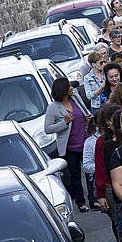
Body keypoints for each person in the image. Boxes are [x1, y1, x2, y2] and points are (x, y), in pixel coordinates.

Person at [44, 76, 89, 211]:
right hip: (70, 147)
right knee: (75, 175)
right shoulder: (53, 108)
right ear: (62, 90)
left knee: (90, 172)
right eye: (69, 86)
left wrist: (88, 118)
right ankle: (81, 202)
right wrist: (64, 122)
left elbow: (84, 112)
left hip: (86, 142)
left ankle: (95, 200)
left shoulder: (75, 98)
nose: (72, 88)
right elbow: (48, 129)